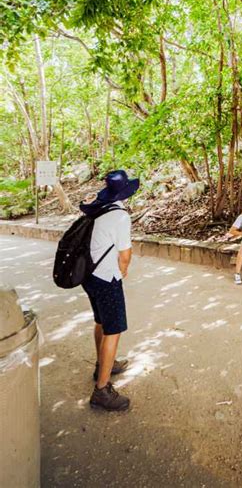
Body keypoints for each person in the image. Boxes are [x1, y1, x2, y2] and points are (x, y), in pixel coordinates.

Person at [80, 170, 139, 411]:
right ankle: (102, 391)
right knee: (113, 330)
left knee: (101, 322)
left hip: (90, 275)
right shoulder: (120, 216)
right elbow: (125, 254)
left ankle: (103, 364)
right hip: (106, 277)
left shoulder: (99, 209)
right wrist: (122, 270)